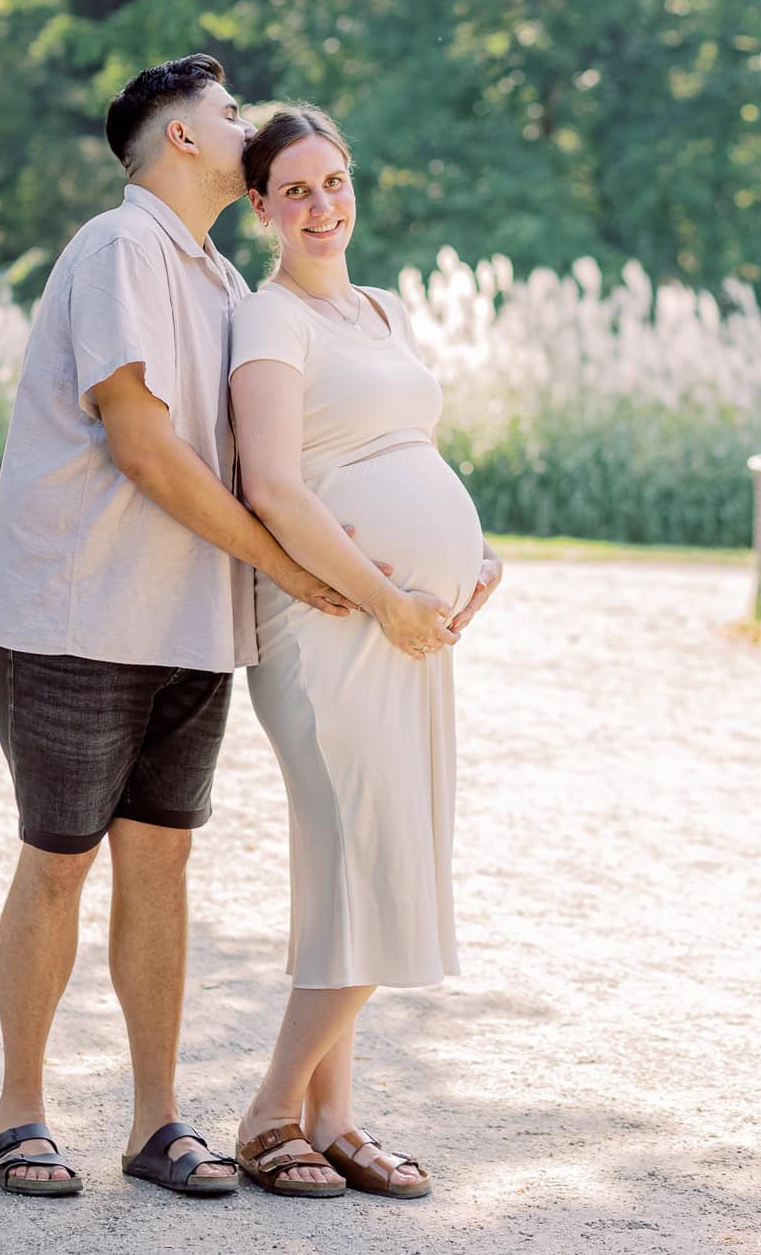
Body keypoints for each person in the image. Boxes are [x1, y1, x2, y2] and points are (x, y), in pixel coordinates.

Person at [0, 56, 367, 1199]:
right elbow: (139, 445)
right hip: (75, 617)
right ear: (182, 140)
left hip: (193, 626)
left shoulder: (225, 285)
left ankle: (157, 1122)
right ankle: (21, 1116)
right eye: (228, 113)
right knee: (59, 862)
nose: (245, 126)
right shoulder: (120, 247)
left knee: (163, 864)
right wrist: (280, 561)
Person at [228, 106, 503, 1200]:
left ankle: (334, 1120)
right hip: (333, 627)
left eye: (334, 181)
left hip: (409, 630)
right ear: (259, 209)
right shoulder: (268, 322)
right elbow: (276, 488)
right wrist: (387, 595)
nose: (322, 206)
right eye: (295, 190)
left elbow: (407, 446)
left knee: (359, 868)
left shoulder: (381, 308)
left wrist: (475, 550)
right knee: (368, 861)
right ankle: (267, 1115)